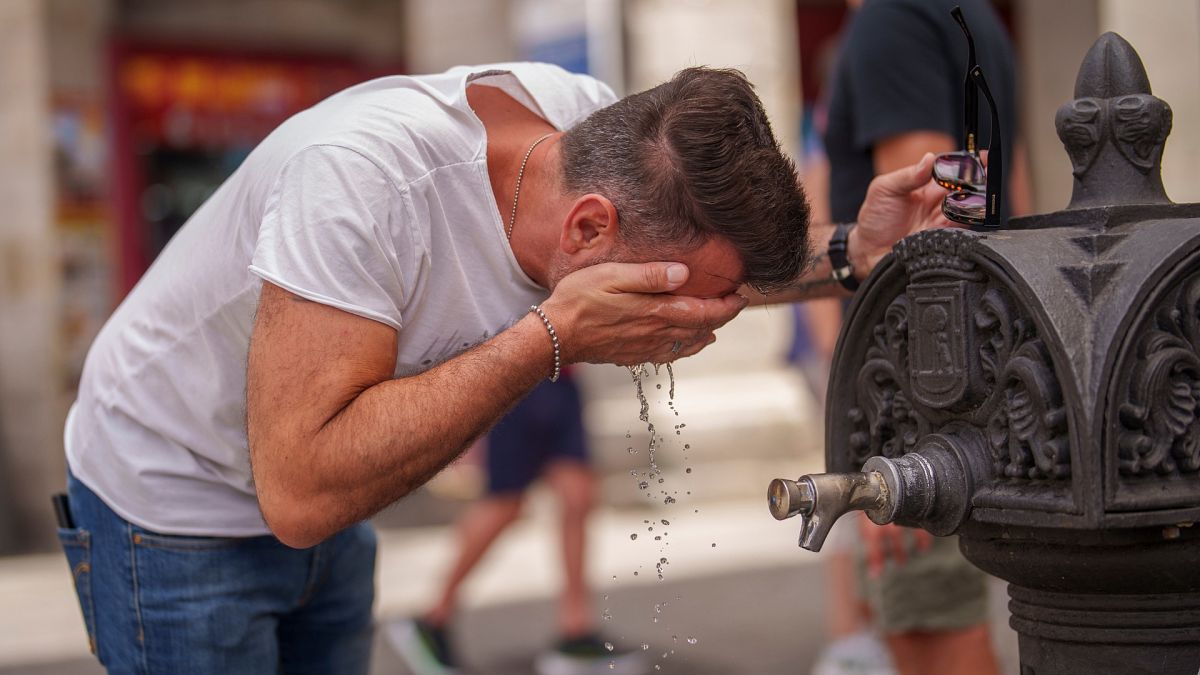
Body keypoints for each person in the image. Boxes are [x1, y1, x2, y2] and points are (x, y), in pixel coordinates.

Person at [56, 61, 950, 673]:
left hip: (327, 502)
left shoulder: (593, 130)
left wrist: (847, 255)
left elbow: (704, 274)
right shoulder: (362, 187)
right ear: (590, 228)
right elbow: (299, 488)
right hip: (166, 502)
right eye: (664, 300)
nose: (687, 328)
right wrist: (551, 336)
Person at [820, 1, 1029, 673]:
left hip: (924, 387)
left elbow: (928, 219)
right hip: (971, 362)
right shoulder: (968, 17)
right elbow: (999, 193)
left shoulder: (894, 19)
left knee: (934, 631)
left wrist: (901, 434)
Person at [392, 370, 643, 675]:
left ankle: (576, 631)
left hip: (563, 375)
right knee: (505, 503)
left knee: (578, 496)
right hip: (514, 379)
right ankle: (433, 618)